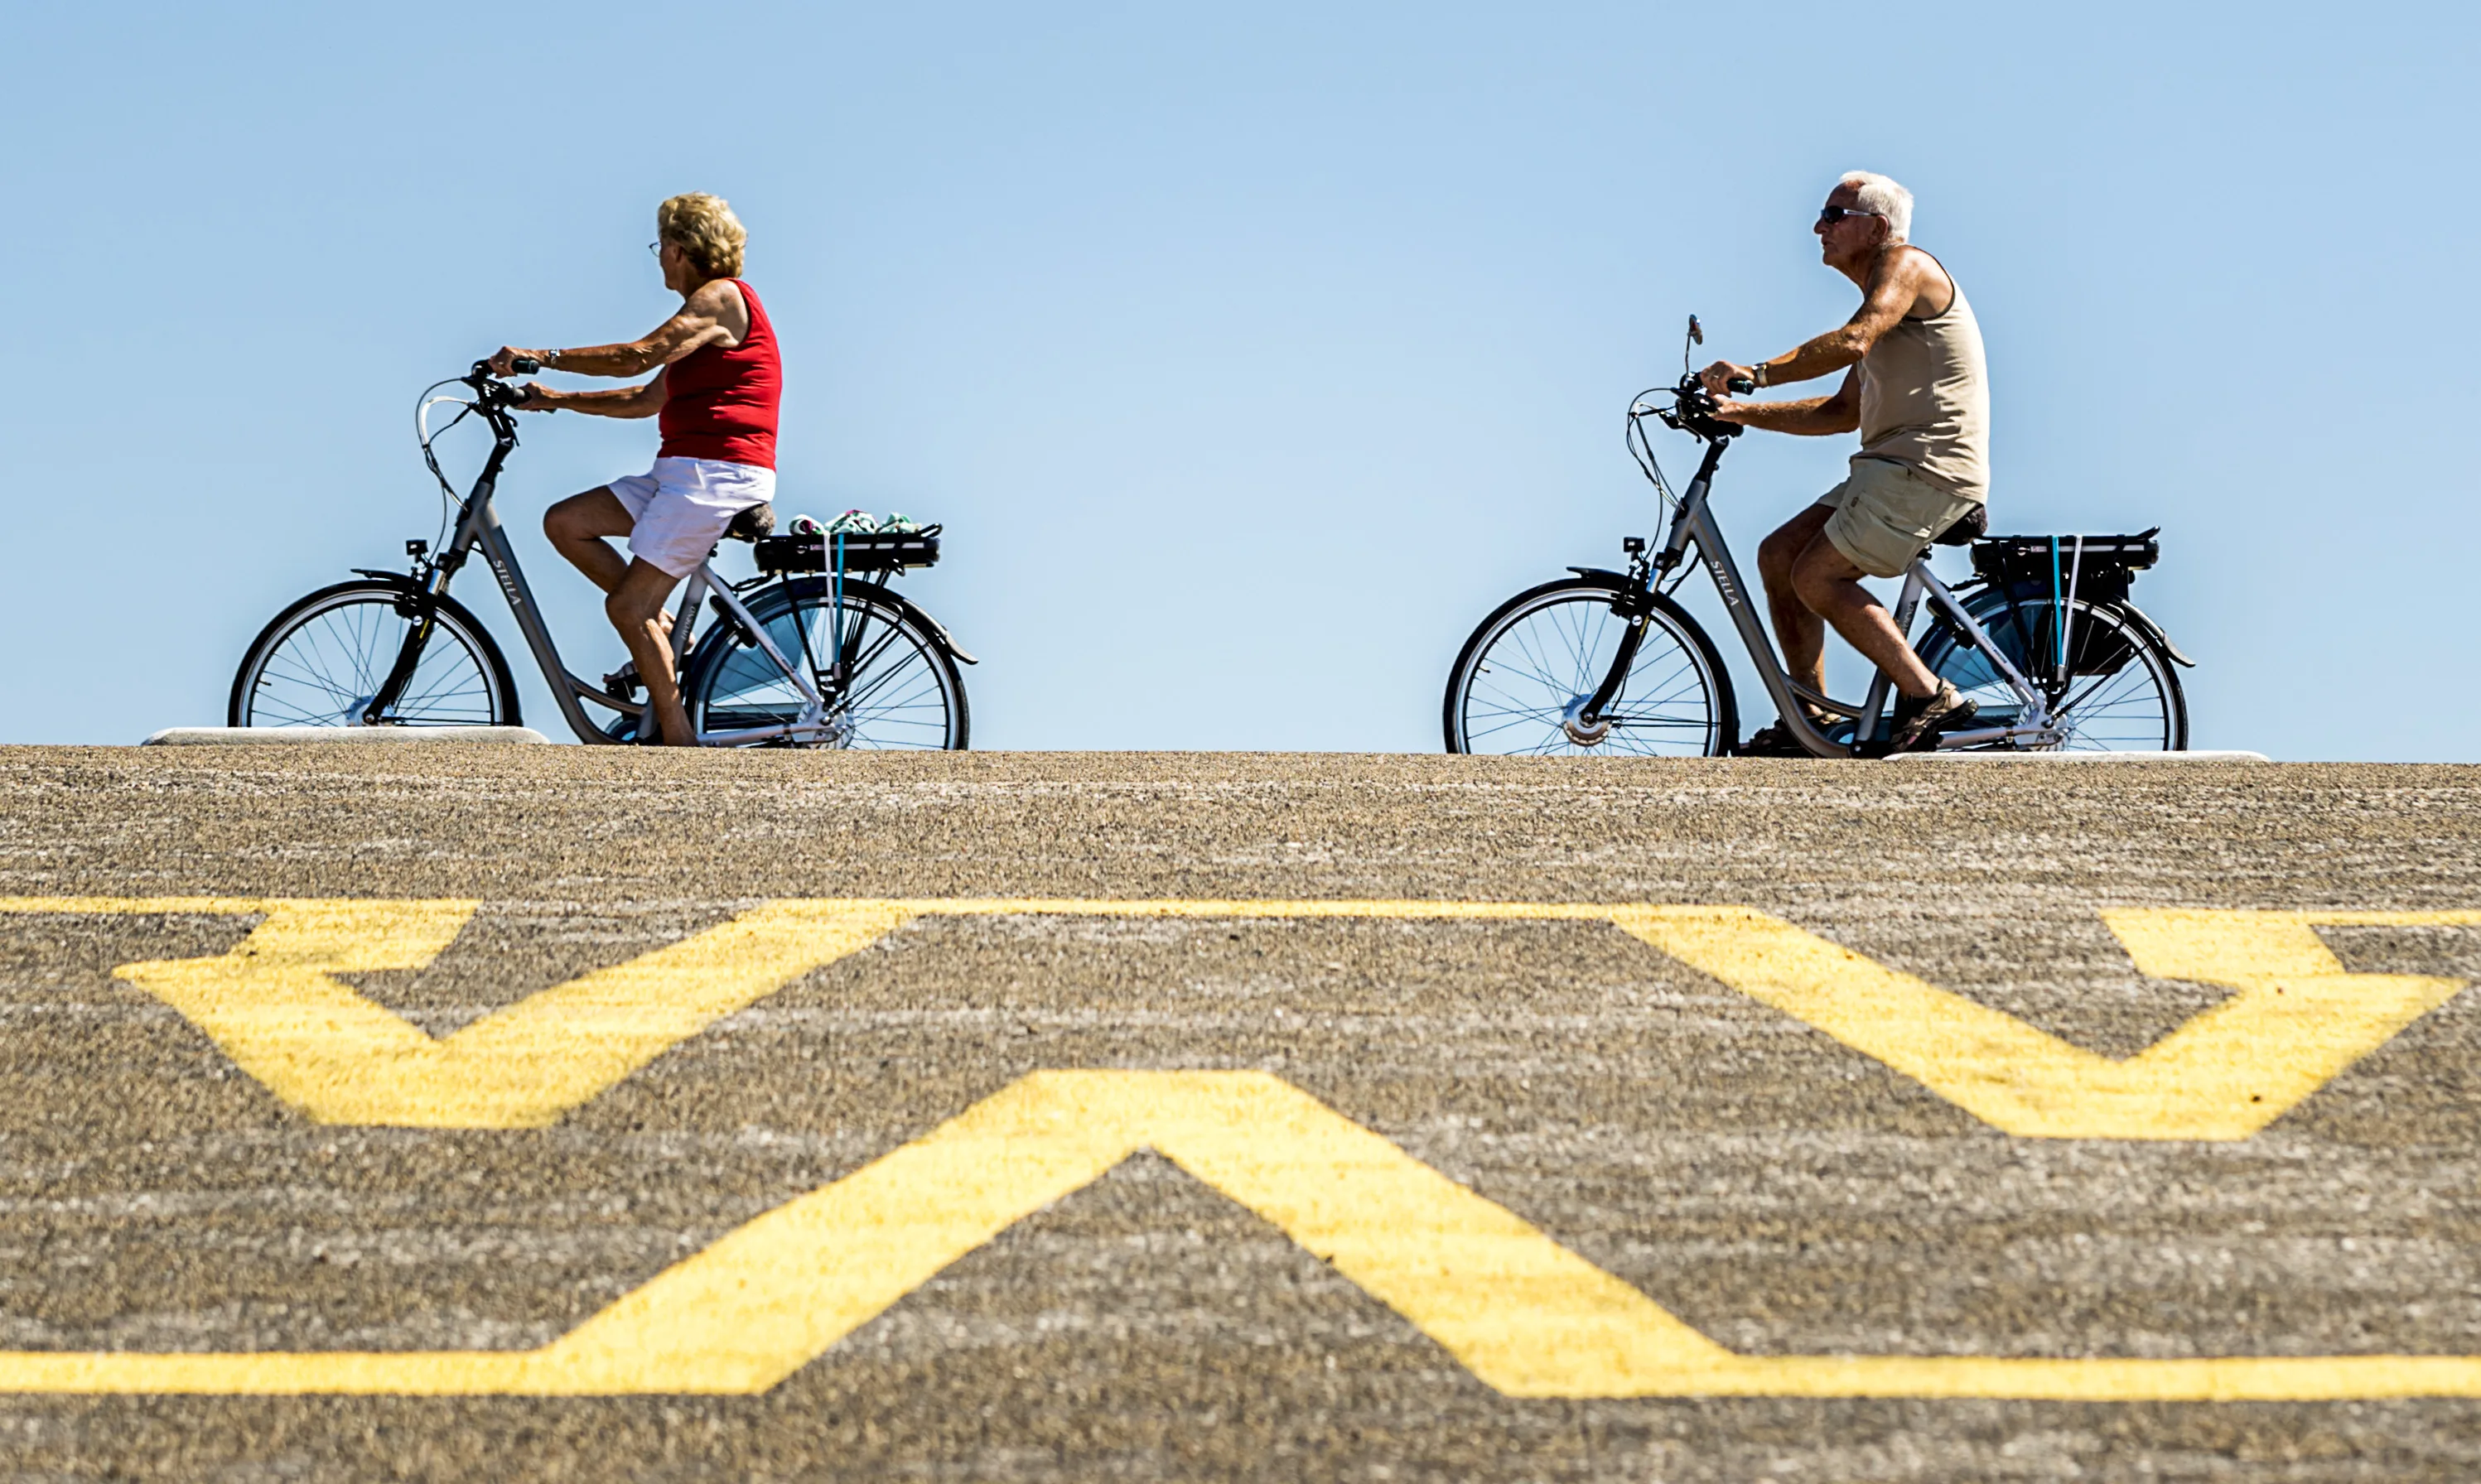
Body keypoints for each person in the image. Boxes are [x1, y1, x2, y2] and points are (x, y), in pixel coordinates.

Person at [1698, 171, 1988, 754]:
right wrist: (1739, 412)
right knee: (1779, 555)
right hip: (1889, 468)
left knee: (1817, 575)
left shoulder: (1905, 265)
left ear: (1877, 228)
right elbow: (1840, 412)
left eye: (1833, 216)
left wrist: (1757, 374)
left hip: (1928, 468)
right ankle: (1809, 722)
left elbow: (1852, 341)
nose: (1817, 227)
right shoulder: (1882, 306)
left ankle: (1930, 695)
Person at [487, 192, 780, 746]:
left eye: (660, 246)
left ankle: (678, 739)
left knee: (626, 607)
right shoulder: (703, 320)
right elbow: (643, 399)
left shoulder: (720, 299)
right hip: (683, 472)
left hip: (717, 475)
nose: (658, 257)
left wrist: (542, 356)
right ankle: (662, 630)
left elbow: (636, 356)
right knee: (566, 522)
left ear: (680, 249)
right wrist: (555, 399)